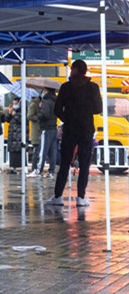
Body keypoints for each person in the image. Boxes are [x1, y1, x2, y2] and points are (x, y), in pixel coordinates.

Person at [48, 60, 102, 207]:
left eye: (72, 68)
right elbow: (98, 109)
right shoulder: (93, 87)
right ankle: (81, 197)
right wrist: (86, 111)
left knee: (65, 163)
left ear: (75, 69)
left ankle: (58, 196)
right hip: (86, 129)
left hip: (70, 130)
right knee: (84, 164)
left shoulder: (66, 87)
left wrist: (68, 118)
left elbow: (57, 110)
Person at [36, 87, 58, 178]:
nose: (43, 92)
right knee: (53, 151)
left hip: (46, 128)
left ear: (47, 91)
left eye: (44, 90)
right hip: (54, 128)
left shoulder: (46, 102)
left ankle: (38, 171)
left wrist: (38, 113)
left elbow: (44, 114)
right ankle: (51, 171)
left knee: (42, 151)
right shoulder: (55, 101)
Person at [3, 97, 25, 174]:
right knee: (12, 152)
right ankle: (13, 168)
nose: (14, 105)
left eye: (15, 104)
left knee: (19, 152)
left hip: (19, 134)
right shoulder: (13, 110)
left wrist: (15, 115)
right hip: (12, 134)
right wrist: (9, 114)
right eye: (13, 104)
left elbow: (22, 121)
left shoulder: (23, 111)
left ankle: (23, 169)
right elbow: (7, 120)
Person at [26, 93, 42, 176]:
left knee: (38, 151)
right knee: (36, 151)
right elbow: (29, 116)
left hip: (39, 130)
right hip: (36, 131)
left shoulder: (39, 103)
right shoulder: (33, 104)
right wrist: (39, 117)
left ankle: (36, 169)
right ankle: (34, 169)